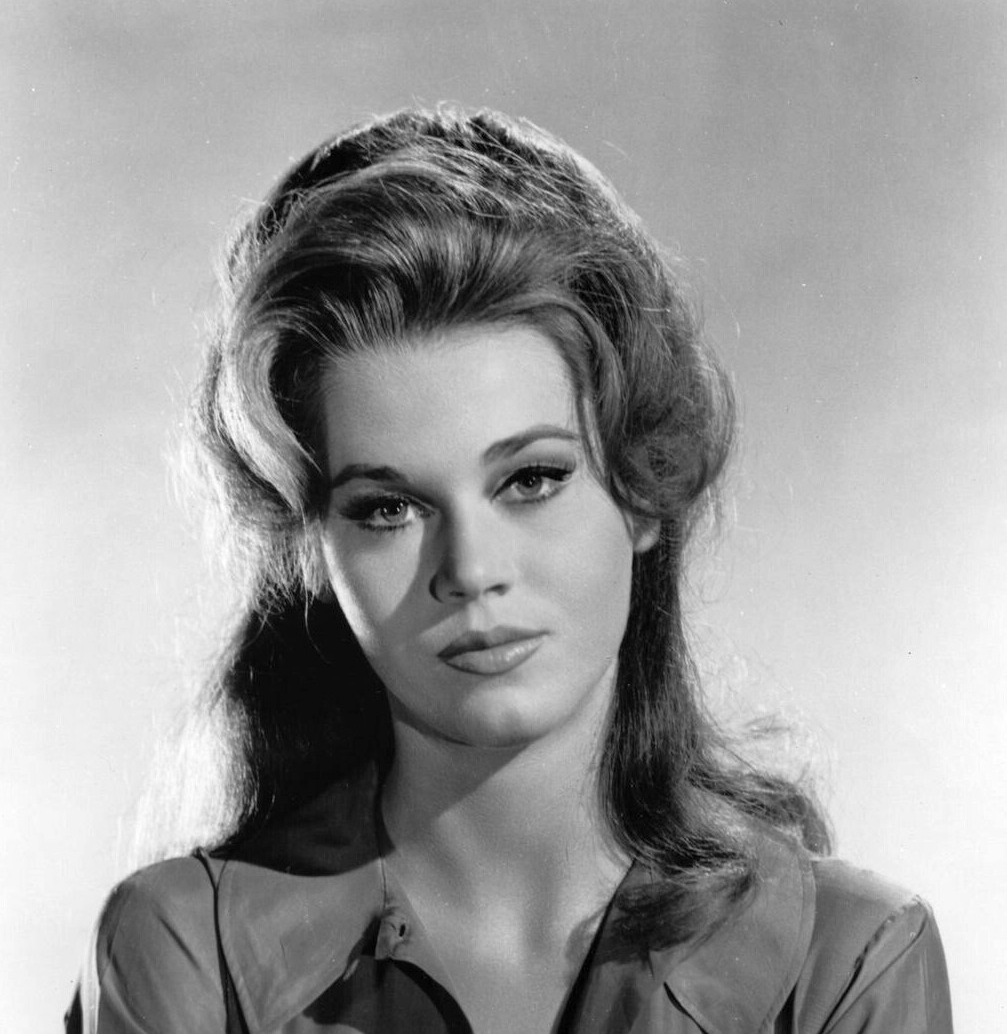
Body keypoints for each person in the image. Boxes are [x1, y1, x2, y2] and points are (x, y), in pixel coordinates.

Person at [66, 106, 952, 1033]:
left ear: (643, 486)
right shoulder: (184, 949)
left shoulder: (848, 958)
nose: (470, 569)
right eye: (387, 507)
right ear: (313, 550)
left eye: (530, 479)